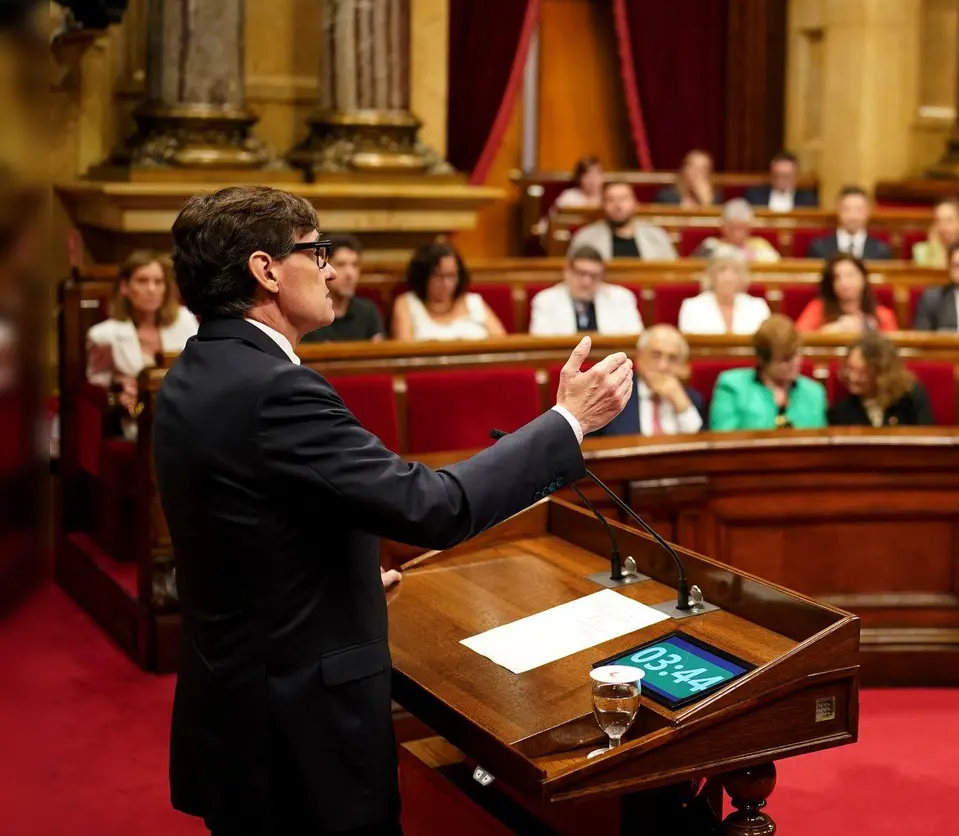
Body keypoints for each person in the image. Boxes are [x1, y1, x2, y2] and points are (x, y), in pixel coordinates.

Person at [154, 185, 632, 836]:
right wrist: (567, 421)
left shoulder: (194, 370)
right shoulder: (277, 391)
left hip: (235, 709)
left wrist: (337, 586)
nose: (328, 268)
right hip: (296, 732)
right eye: (315, 250)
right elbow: (433, 507)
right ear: (266, 270)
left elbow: (237, 534)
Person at [86, 250, 200, 438]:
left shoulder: (185, 321)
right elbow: (96, 385)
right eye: (142, 281)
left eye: (158, 282)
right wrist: (119, 386)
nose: (152, 289)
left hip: (187, 414)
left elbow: (198, 368)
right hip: (138, 422)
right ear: (124, 286)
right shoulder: (103, 336)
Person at [708, 315, 827, 431]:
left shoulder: (814, 392)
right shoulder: (732, 387)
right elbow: (723, 441)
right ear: (763, 360)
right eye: (785, 359)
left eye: (797, 354)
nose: (796, 362)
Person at [595, 325, 706, 437]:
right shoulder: (615, 394)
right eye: (656, 355)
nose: (663, 366)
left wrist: (681, 404)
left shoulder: (692, 399)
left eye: (672, 358)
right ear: (639, 356)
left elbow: (702, 448)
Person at [390, 242, 506, 341]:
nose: (446, 284)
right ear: (423, 276)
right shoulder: (406, 304)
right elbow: (404, 352)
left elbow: (501, 343)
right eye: (438, 276)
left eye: (452, 276)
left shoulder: (474, 302)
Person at [826, 333, 935, 427]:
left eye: (862, 372)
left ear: (881, 373)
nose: (853, 377)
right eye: (849, 369)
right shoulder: (843, 410)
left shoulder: (911, 398)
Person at [529, 246, 644, 336]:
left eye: (594, 275)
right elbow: (542, 342)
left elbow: (633, 338)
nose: (586, 282)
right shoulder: (545, 300)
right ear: (567, 271)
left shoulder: (621, 297)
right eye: (580, 273)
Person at [301, 236, 384, 343]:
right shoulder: (308, 316)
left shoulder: (368, 311)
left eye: (355, 265)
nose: (350, 273)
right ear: (324, 268)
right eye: (341, 264)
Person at [568, 182, 678, 260]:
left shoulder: (657, 236)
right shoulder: (586, 238)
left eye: (624, 199)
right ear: (603, 206)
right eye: (611, 200)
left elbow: (673, 274)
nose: (618, 205)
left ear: (635, 204)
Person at [794, 253, 899, 334]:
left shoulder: (882, 316)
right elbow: (799, 338)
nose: (844, 283)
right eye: (837, 277)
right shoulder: (818, 309)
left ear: (863, 278)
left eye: (850, 275)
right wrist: (832, 330)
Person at [677, 248, 771, 335]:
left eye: (735, 271)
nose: (728, 277)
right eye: (722, 270)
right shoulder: (692, 307)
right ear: (712, 276)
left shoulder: (758, 306)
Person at [807, 186, 892, 260]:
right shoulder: (819, 248)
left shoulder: (882, 251)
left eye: (859, 210)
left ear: (868, 212)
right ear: (838, 210)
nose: (853, 216)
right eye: (847, 209)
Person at [691, 199, 780, 262]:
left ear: (750, 227)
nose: (738, 233)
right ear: (723, 227)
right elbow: (695, 271)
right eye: (733, 228)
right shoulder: (711, 246)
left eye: (742, 228)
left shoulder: (761, 247)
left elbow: (776, 271)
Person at [743, 150, 819, 211]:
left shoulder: (809, 199)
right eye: (778, 175)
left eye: (787, 176)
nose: (781, 180)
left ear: (796, 177)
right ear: (771, 176)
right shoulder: (754, 196)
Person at [655, 149, 721, 207]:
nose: (697, 174)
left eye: (703, 169)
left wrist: (706, 201)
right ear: (684, 170)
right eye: (693, 168)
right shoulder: (666, 196)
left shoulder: (716, 198)